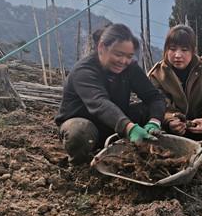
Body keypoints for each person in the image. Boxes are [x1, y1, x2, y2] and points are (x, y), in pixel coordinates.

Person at [55, 23, 165, 164]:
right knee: (79, 130)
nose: (123, 61)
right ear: (102, 47)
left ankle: (147, 150)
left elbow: (154, 97)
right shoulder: (84, 71)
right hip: (88, 126)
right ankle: (80, 167)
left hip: (116, 124)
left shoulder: (130, 68)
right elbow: (100, 104)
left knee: (150, 110)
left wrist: (154, 121)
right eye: (118, 54)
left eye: (129, 56)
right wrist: (130, 128)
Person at [148, 24, 202, 174]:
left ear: (193, 51)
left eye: (184, 50)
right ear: (166, 50)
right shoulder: (157, 75)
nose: (178, 55)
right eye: (172, 49)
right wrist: (170, 120)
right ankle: (171, 161)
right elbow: (159, 105)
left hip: (200, 124)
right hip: (172, 128)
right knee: (155, 130)